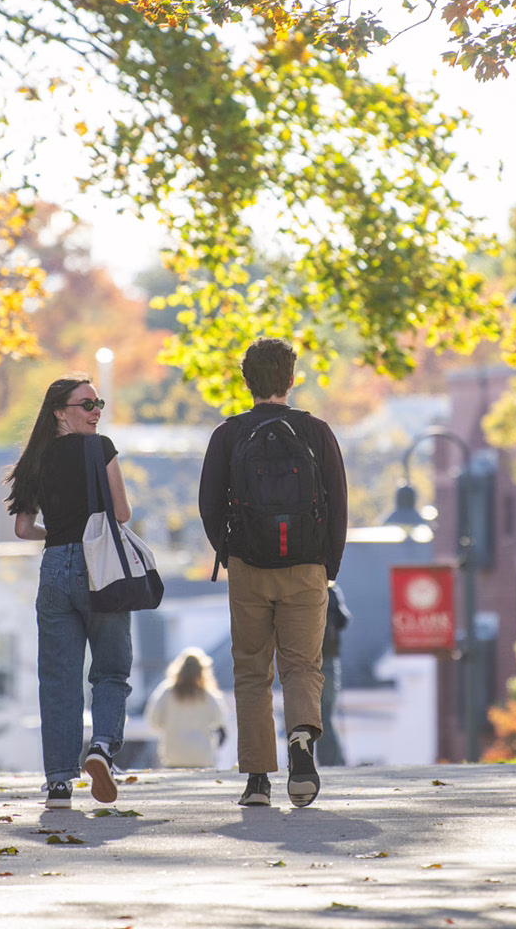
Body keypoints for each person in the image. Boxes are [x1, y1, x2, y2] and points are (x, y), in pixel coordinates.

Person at [199, 337, 348, 808]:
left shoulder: (228, 434)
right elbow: (340, 504)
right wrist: (328, 565)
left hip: (248, 566)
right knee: (303, 665)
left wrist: (230, 551)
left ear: (247, 382)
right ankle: (301, 739)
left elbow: (207, 504)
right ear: (290, 379)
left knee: (251, 670)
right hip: (307, 566)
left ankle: (258, 780)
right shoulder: (316, 432)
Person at [7, 375, 133, 809]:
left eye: (98, 403)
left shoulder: (33, 461)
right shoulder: (100, 449)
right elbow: (122, 512)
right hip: (102, 569)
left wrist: (58, 533)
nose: (97, 410)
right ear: (60, 411)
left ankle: (60, 782)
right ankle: (100, 749)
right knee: (111, 670)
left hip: (55, 566)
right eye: (86, 404)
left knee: (59, 679)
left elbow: (23, 529)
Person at [144, 647, 228, 768]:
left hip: (173, 755)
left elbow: (154, 720)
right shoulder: (207, 694)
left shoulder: (167, 691)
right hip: (202, 756)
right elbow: (219, 720)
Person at [318, 581, 350, 766]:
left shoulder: (298, 588)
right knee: (325, 714)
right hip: (328, 659)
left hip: (302, 660)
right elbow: (344, 620)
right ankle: (331, 761)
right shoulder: (331, 591)